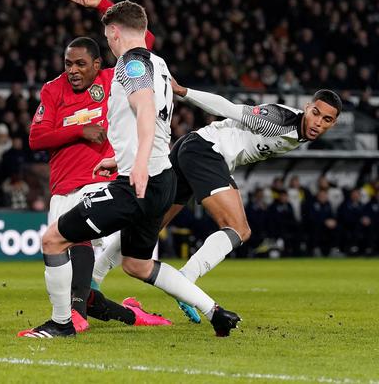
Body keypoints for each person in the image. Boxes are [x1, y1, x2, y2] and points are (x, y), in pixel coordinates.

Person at [22, 0, 241, 338]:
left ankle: (62, 323)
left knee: (53, 240)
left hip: (139, 183)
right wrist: (123, 158)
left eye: (107, 35)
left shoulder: (129, 64)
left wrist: (137, 165)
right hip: (162, 178)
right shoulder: (159, 63)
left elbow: (144, 108)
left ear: (114, 32)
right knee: (137, 265)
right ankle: (215, 311)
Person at [93, 79, 341, 322]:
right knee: (239, 229)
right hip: (207, 151)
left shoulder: (301, 133)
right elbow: (228, 108)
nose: (318, 122)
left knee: (150, 225)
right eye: (315, 113)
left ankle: (94, 277)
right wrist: (184, 91)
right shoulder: (280, 119)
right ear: (307, 107)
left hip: (190, 150)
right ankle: (186, 279)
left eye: (326, 119)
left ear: (334, 123)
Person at [21, 0, 168, 334]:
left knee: (88, 251)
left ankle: (73, 320)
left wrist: (103, 6)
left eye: (80, 64)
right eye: (68, 63)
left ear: (98, 64)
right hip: (63, 188)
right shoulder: (52, 89)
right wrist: (79, 130)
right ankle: (128, 315)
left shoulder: (114, 77)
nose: (72, 70)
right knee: (82, 283)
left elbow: (142, 38)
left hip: (102, 181)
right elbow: (36, 138)